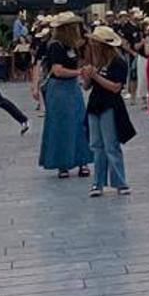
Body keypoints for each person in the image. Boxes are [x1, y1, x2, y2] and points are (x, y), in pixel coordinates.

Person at [80, 26, 134, 197]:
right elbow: (87, 87)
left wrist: (96, 76)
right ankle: (98, 183)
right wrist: (87, 76)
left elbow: (115, 87)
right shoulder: (97, 62)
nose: (92, 46)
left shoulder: (118, 63)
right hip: (95, 104)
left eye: (95, 43)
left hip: (110, 105)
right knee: (96, 145)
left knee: (111, 145)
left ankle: (120, 182)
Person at [36, 12, 92, 177]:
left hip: (72, 87)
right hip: (59, 88)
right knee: (61, 124)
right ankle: (63, 163)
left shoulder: (72, 46)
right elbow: (57, 70)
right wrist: (79, 72)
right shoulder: (56, 45)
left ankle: (82, 161)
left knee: (79, 122)